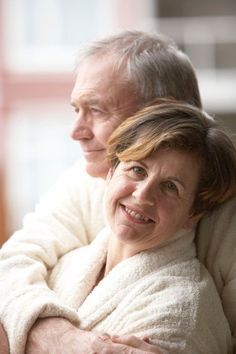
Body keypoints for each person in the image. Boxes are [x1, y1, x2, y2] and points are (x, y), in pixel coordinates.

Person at [0, 30, 235, 353]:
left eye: (96, 110)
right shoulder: (88, 179)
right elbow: (13, 263)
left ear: (158, 113)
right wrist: (62, 338)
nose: (76, 132)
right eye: (136, 169)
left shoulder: (217, 236)